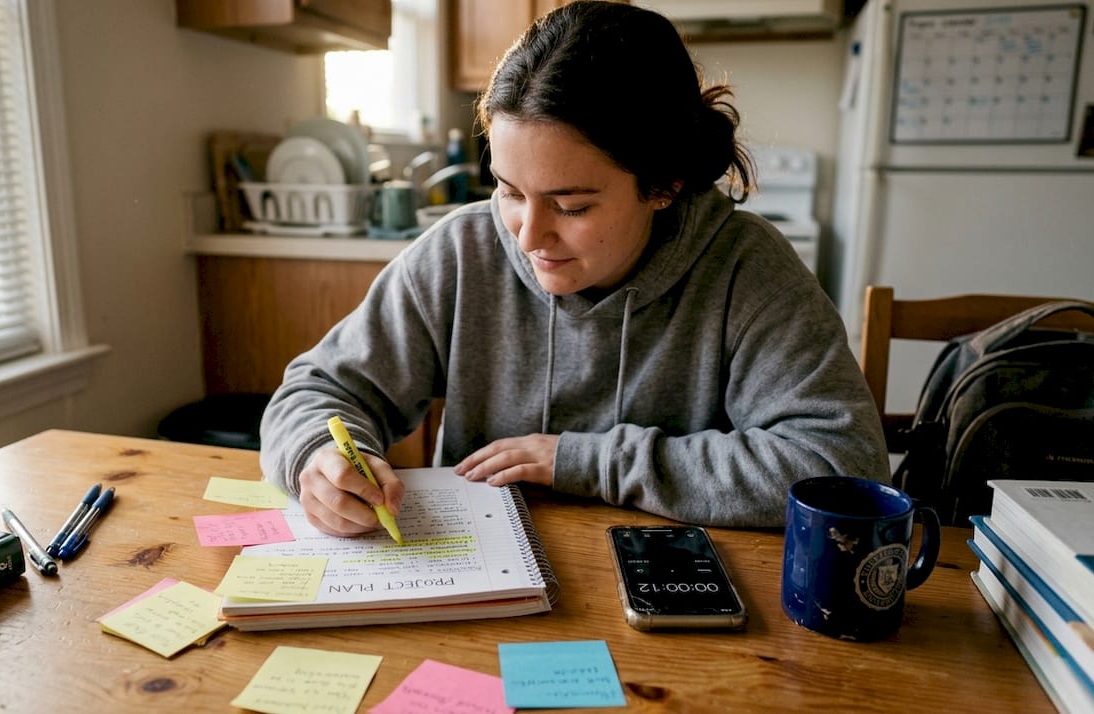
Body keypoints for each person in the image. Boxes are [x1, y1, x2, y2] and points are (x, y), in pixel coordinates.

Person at [260, 0, 889, 537]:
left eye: (572, 204)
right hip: (482, 586)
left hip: (678, 606)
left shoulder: (746, 270)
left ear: (664, 184)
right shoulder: (461, 252)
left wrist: (584, 462)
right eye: (509, 191)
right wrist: (317, 454)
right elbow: (318, 391)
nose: (530, 237)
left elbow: (842, 465)